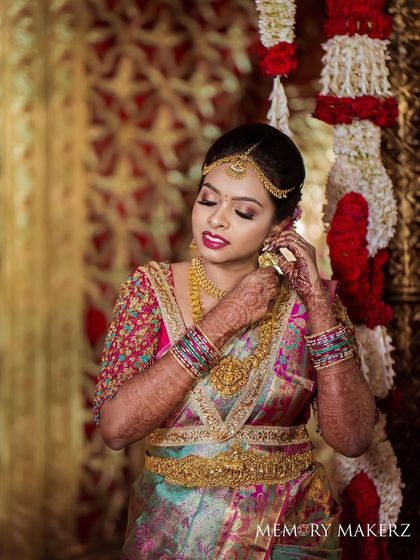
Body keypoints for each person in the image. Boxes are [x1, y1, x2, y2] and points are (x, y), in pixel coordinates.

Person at [93, 122, 376, 559]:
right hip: (174, 533)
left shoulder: (313, 303)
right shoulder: (151, 290)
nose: (217, 218)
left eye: (244, 212)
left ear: (281, 225)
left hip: (288, 528)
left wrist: (317, 305)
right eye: (208, 199)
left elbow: (353, 439)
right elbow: (115, 429)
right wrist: (221, 321)